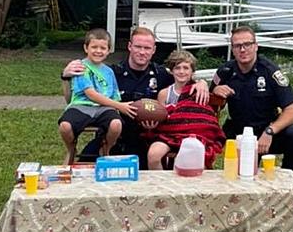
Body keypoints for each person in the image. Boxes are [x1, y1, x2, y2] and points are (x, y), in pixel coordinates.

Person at [61, 27, 209, 166]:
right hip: (113, 137)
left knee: (148, 175)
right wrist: (65, 76)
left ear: (153, 50)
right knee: (84, 170)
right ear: (130, 46)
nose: (142, 52)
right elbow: (78, 97)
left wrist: (200, 83)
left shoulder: (162, 74)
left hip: (146, 139)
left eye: (147, 48)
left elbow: (183, 80)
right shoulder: (112, 72)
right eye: (138, 47)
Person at [210, 26, 293, 172]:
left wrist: (270, 131)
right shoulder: (225, 72)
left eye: (247, 44)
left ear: (256, 46)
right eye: (237, 46)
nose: (242, 50)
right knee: (242, 177)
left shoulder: (270, 72)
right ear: (232, 49)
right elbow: (209, 100)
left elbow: (292, 111)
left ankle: (290, 173)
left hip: (267, 130)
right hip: (239, 133)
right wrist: (215, 91)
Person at [57, 28, 136, 165]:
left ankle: (106, 148)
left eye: (102, 48)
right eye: (94, 47)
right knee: (65, 126)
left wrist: (116, 107)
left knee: (116, 124)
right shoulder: (81, 67)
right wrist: (120, 106)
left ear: (108, 50)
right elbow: (91, 94)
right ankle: (71, 148)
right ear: (86, 48)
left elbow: (114, 95)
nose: (98, 51)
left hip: (104, 108)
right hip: (81, 106)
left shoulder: (109, 71)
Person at [146, 50, 225, 170]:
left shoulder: (199, 91)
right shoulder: (164, 93)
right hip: (169, 135)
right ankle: (162, 184)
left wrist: (202, 82)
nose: (181, 71)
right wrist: (153, 125)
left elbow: (202, 118)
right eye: (177, 68)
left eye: (186, 68)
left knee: (192, 157)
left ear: (192, 71)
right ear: (171, 71)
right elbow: (161, 119)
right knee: (153, 154)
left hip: (195, 135)